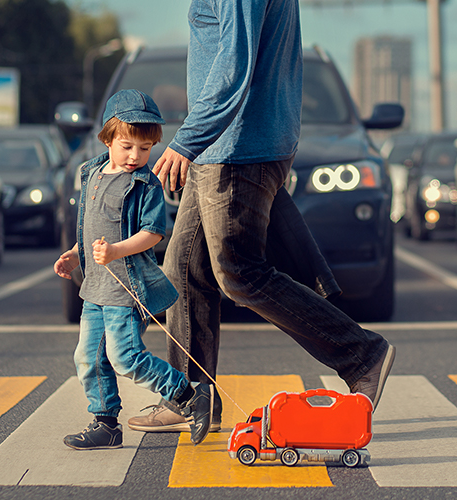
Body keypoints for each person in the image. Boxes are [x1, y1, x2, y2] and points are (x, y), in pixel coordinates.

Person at [128, 0, 396, 434]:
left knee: (239, 273)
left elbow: (234, 67)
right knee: (182, 267)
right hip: (223, 146)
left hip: (237, 148)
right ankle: (191, 395)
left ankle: (362, 354)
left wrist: (186, 140)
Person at [53, 89, 213, 449]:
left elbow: (153, 234)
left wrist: (115, 251)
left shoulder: (145, 185)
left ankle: (188, 393)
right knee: (88, 357)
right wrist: (76, 253)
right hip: (95, 289)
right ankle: (106, 423)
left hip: (127, 288)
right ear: (108, 137)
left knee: (124, 356)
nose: (135, 156)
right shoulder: (91, 173)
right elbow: (92, 226)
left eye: (145, 148)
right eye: (127, 146)